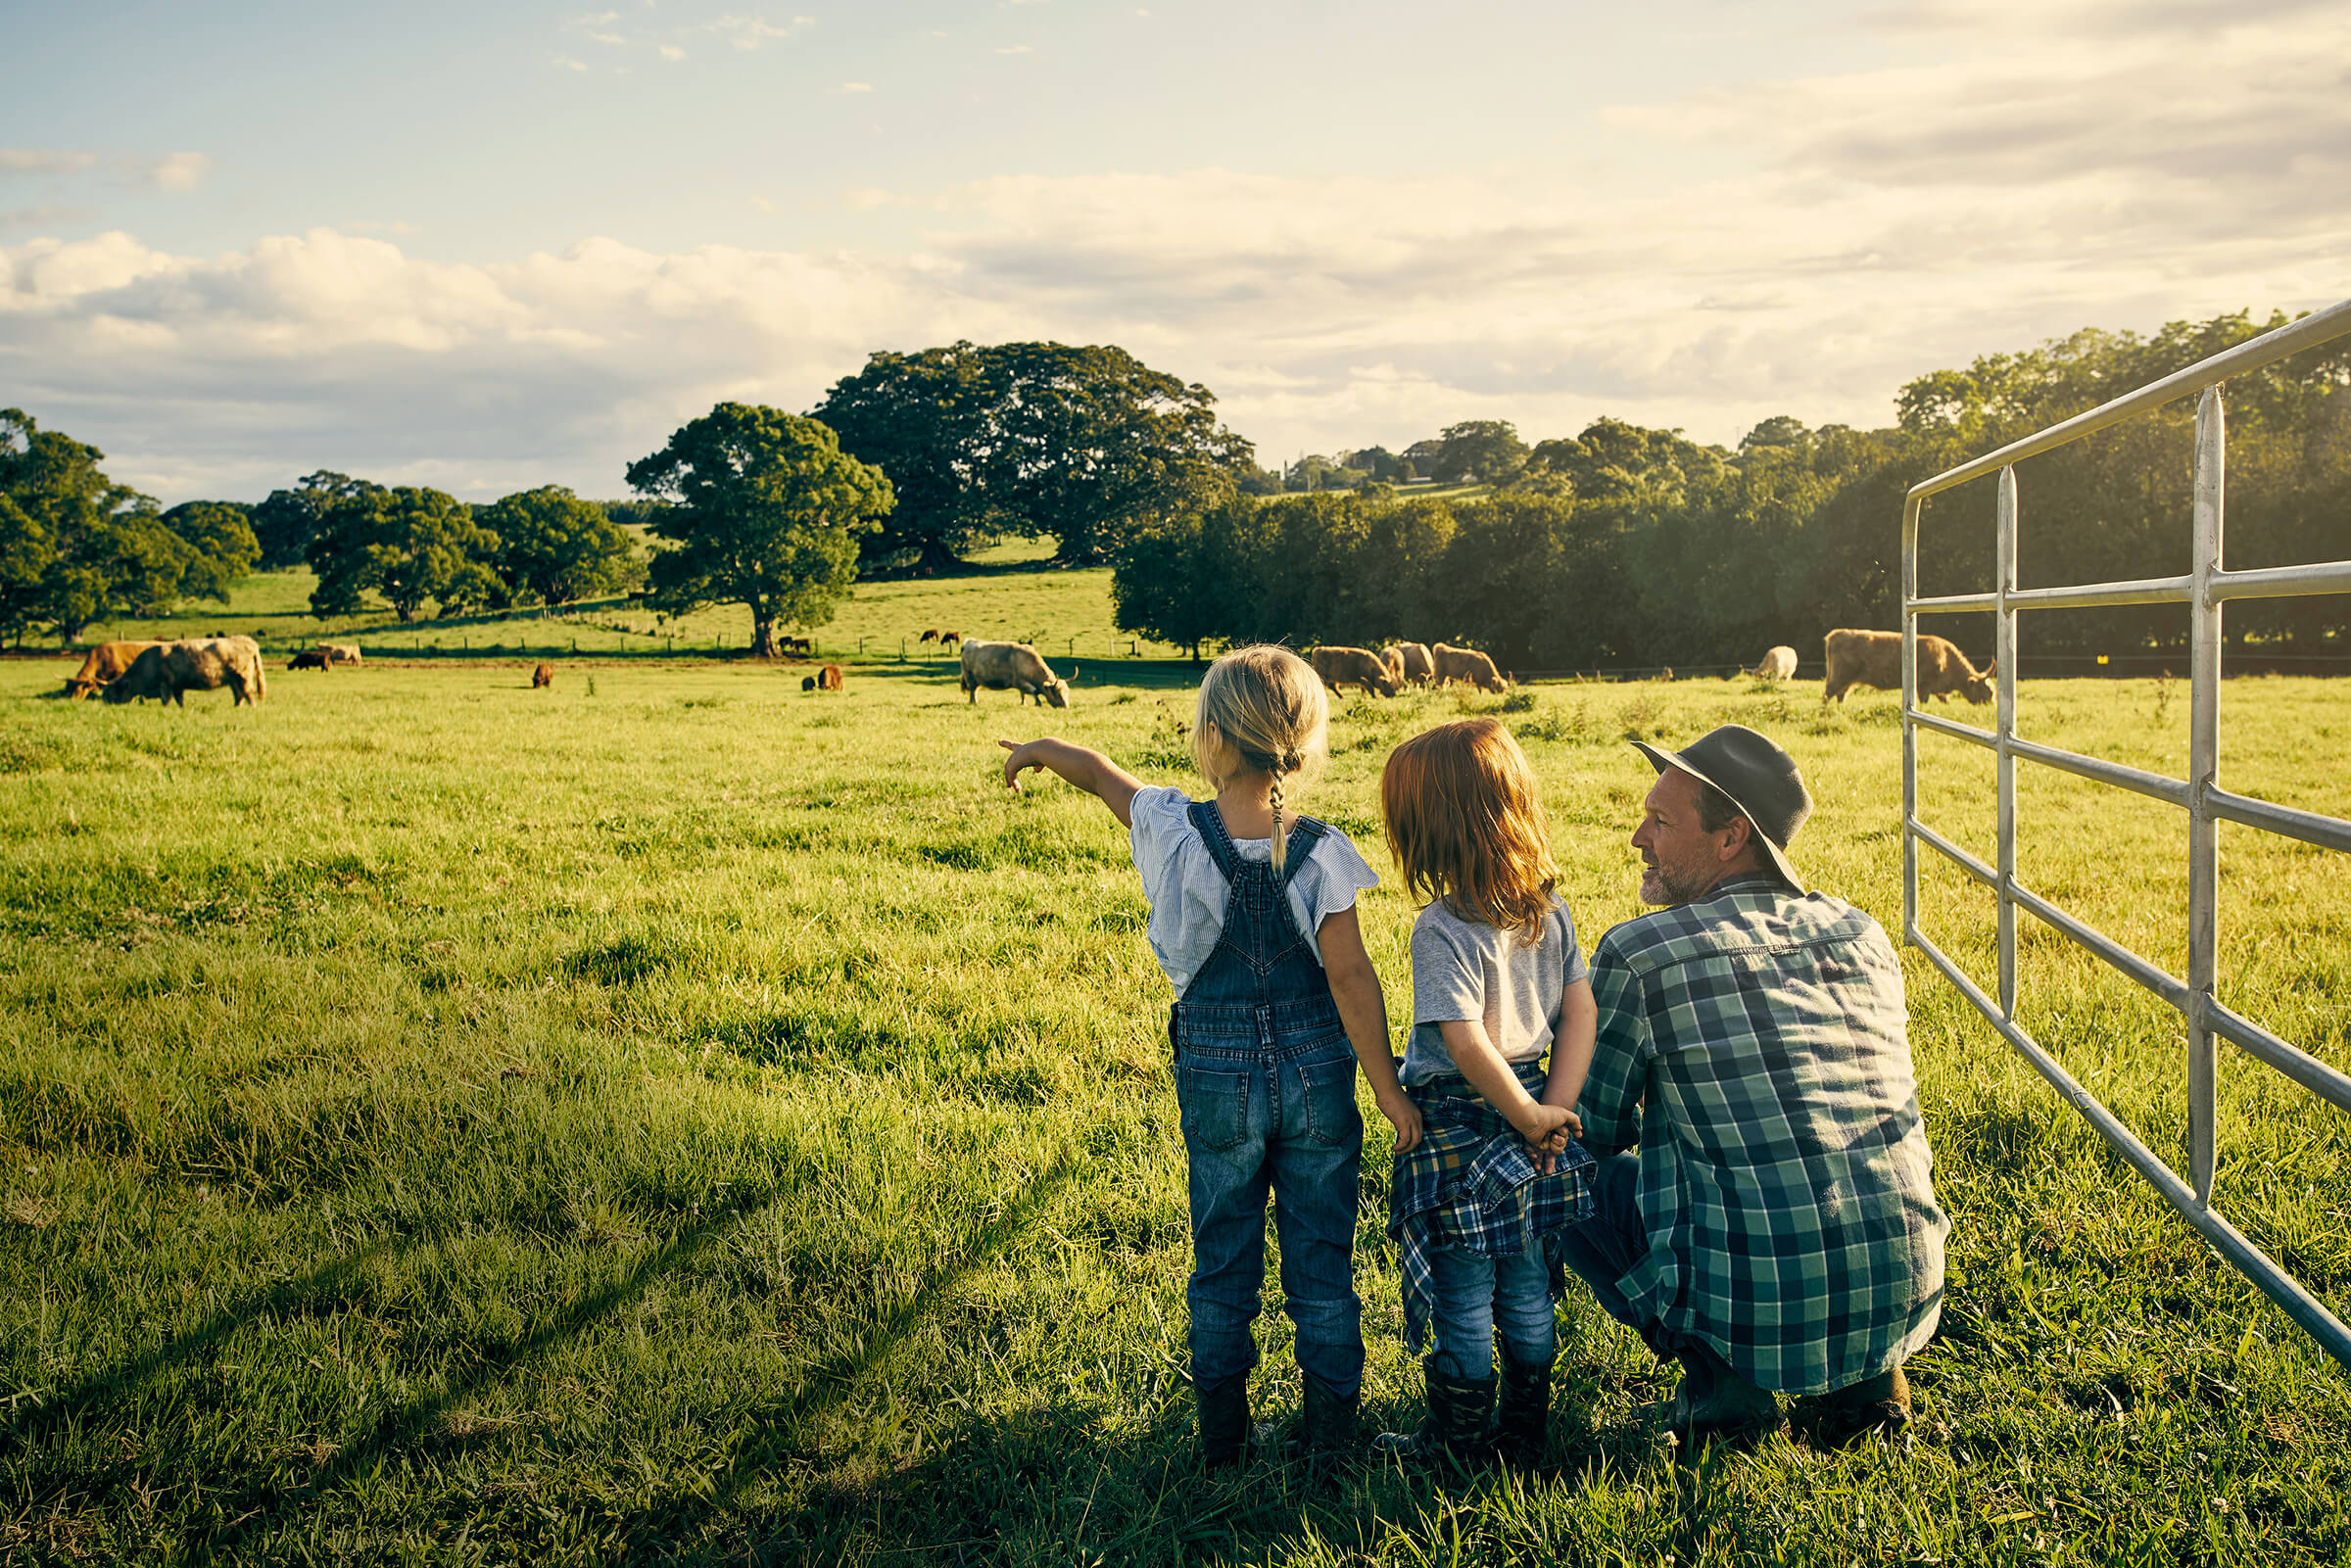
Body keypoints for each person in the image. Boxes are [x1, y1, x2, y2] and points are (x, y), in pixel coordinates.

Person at [997, 645, 1419, 1467]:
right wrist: (1390, 1091)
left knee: (1223, 1255)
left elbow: (1100, 775)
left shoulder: (1169, 825)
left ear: (1214, 736)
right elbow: (1351, 976)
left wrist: (1039, 751)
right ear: (1303, 739)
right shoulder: (1322, 849)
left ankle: (1224, 1441)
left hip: (1216, 1075)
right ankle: (1332, 1439)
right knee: (1323, 1263)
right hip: (1317, 1075)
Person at [1562, 724, 1948, 1448]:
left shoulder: (1642, 951)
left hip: (1759, 1306)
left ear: (1731, 835)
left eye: (1661, 821)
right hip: (1907, 1290)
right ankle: (1867, 1383)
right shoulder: (1862, 932)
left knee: (1557, 1166)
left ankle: (1725, 1383)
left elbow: (1592, 1127)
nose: (1637, 838)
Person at [1369, 718, 1597, 1467]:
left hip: (1464, 1123)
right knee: (1528, 1280)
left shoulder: (1441, 928)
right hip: (1534, 1109)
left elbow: (1465, 1044)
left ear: (1431, 831)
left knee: (1464, 1292)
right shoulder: (1550, 908)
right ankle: (1525, 1433)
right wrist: (1548, 1111)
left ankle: (1458, 1440)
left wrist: (1528, 1114)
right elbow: (1579, 1012)